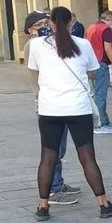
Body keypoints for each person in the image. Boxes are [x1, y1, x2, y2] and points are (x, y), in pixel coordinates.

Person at [27, 6, 112, 221]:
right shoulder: (83, 44)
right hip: (78, 108)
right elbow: (93, 72)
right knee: (87, 156)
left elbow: (35, 71)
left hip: (50, 108)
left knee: (48, 156)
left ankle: (42, 207)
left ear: (50, 23)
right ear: (71, 23)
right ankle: (103, 204)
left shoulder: (37, 46)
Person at [24, 11, 82, 206]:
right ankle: (53, 189)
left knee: (60, 148)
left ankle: (58, 183)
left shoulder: (49, 44)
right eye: (38, 25)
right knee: (53, 149)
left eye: (45, 23)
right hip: (48, 104)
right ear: (30, 30)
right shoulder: (34, 47)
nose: (43, 28)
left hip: (60, 102)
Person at [86, 11, 112, 133]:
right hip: (101, 62)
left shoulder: (91, 27)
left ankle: (104, 120)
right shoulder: (106, 30)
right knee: (100, 95)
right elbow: (108, 48)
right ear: (110, 19)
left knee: (96, 93)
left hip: (91, 63)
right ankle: (100, 122)